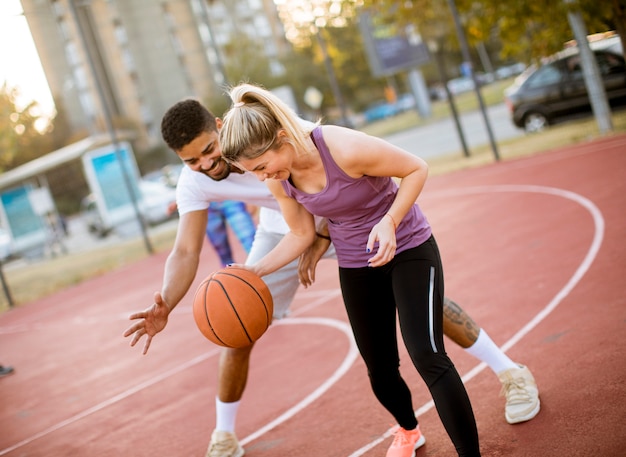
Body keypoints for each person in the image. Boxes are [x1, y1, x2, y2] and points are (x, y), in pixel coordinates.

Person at [124, 99, 539, 457]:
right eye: (191, 161)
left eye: (208, 151)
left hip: (346, 210)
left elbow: (333, 178)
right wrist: (168, 299)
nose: (205, 165)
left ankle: (510, 372)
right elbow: (186, 250)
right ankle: (224, 434)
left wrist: (330, 234)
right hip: (286, 224)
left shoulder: (281, 135)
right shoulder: (209, 179)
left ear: (221, 127)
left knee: (422, 312)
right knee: (237, 318)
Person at [218, 83, 483, 456]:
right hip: (357, 262)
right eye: (254, 173)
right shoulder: (281, 180)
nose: (262, 178)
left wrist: (390, 220)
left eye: (262, 167)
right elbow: (300, 233)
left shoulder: (342, 147)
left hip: (408, 248)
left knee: (427, 354)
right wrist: (253, 271)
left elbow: (415, 168)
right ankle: (409, 430)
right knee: (379, 366)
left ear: (282, 138)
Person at [205, 200, 256, 267]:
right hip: (206, 204)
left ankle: (265, 273)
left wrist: (250, 200)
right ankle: (231, 275)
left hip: (232, 198)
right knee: (223, 252)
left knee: (251, 242)